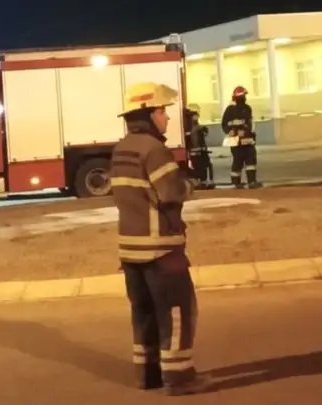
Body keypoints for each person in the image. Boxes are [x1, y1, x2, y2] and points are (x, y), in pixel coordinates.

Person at [110, 82, 211, 396]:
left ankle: (148, 374)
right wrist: (190, 185)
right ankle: (179, 378)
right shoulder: (154, 150)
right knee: (177, 312)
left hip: (130, 250)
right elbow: (170, 192)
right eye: (162, 111)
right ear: (149, 114)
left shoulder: (121, 149)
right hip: (160, 250)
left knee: (144, 313)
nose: (166, 117)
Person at [221, 85, 262, 189]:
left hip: (245, 140)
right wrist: (231, 131)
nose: (244, 98)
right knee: (239, 162)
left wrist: (246, 132)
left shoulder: (246, 108)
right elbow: (225, 124)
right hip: (237, 141)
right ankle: (238, 182)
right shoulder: (231, 110)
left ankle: (249, 182)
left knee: (249, 161)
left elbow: (249, 123)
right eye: (243, 96)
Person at [183, 104, 215, 189]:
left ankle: (202, 182)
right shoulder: (194, 127)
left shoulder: (191, 126)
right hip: (197, 152)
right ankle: (202, 182)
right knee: (202, 167)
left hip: (198, 152)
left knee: (201, 167)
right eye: (195, 116)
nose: (197, 117)